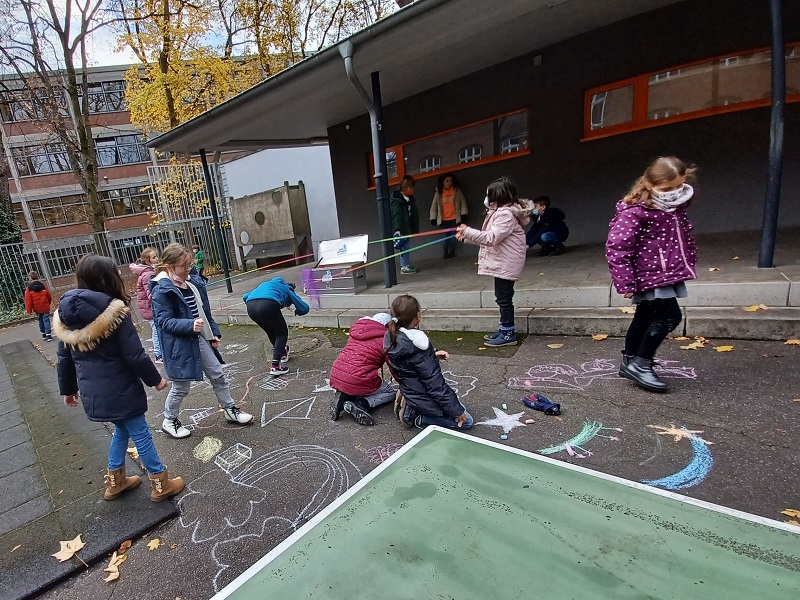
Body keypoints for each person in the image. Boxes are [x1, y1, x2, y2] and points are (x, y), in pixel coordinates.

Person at [53, 255, 185, 503]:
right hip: (121, 389)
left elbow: (64, 358)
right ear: (109, 278)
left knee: (121, 431)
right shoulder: (114, 312)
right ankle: (161, 482)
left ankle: (115, 482)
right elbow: (134, 354)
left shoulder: (64, 316)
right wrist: (155, 380)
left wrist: (68, 389)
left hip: (94, 393)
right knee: (141, 433)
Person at [606, 156, 698, 393]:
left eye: (679, 186)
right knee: (669, 317)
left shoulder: (674, 207)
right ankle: (641, 363)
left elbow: (684, 235)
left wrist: (689, 259)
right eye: (668, 188)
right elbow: (618, 247)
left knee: (645, 316)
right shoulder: (636, 211)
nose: (674, 192)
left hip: (667, 272)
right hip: (649, 274)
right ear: (649, 184)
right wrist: (625, 281)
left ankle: (630, 360)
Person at [151, 243, 253, 439]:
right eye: (184, 266)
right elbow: (163, 322)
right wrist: (189, 325)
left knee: (217, 373)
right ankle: (169, 420)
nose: (188, 269)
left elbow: (203, 312)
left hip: (198, 338)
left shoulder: (191, 284)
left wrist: (212, 332)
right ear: (169, 266)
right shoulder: (161, 289)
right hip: (178, 346)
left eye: (189, 265)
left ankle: (230, 409)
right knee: (182, 386)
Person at [456, 177, 532, 347]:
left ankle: (508, 334)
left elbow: (491, 238)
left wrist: (468, 231)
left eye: (489, 194)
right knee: (502, 297)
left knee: (504, 298)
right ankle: (504, 329)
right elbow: (489, 239)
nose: (486, 198)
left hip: (507, 262)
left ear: (498, 196)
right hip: (504, 260)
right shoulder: (500, 212)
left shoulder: (505, 214)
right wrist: (465, 237)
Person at [384, 294, 473, 430]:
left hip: (410, 388)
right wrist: (457, 411)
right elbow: (436, 387)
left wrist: (432, 354)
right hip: (422, 396)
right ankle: (417, 417)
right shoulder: (418, 344)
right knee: (466, 420)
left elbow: (411, 361)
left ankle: (409, 402)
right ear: (418, 316)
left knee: (458, 407)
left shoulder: (393, 336)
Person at [329, 312, 395, 426]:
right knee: (390, 392)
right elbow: (393, 366)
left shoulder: (355, 333)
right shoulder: (385, 340)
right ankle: (362, 404)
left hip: (336, 374)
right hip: (359, 378)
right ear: (387, 326)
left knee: (355, 382)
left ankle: (344, 397)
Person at [243, 276, 310, 376]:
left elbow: (245, 296)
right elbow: (305, 308)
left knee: (271, 331)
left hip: (251, 307)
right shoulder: (286, 289)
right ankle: (275, 366)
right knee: (281, 333)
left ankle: (282, 352)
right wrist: (298, 310)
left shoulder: (266, 284)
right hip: (268, 305)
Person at [129, 247, 162, 362]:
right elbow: (151, 293)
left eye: (157, 256)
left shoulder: (149, 272)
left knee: (157, 329)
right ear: (148, 261)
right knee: (157, 330)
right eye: (154, 257)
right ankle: (159, 354)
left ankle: (160, 352)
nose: (157, 259)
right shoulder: (148, 274)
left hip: (149, 308)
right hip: (150, 308)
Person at [430, 172, 469, 259]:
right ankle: (445, 252)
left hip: (454, 219)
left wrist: (464, 214)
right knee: (444, 238)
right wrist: (433, 218)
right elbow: (434, 206)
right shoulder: (439, 193)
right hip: (443, 220)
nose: (449, 183)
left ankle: (451, 252)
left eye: (451, 181)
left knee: (453, 238)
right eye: (447, 181)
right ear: (442, 182)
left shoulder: (456, 191)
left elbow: (463, 202)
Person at [390, 175, 420, 274]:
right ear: (406, 187)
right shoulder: (398, 200)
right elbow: (397, 215)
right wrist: (397, 229)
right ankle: (404, 266)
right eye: (411, 187)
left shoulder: (410, 199)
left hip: (407, 227)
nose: (413, 190)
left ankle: (405, 264)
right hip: (402, 228)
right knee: (404, 247)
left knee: (406, 246)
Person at [24, 271, 53, 342]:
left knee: (40, 320)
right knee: (46, 320)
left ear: (30, 278)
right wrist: (48, 303)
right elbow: (49, 296)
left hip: (37, 308)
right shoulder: (43, 286)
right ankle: (48, 335)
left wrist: (29, 310)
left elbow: (28, 300)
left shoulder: (29, 288)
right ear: (37, 276)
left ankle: (43, 334)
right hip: (45, 306)